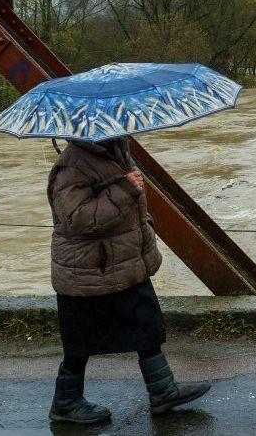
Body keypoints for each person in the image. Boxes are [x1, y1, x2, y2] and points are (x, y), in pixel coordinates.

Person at [46, 135, 210, 424]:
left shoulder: (116, 149)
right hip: (88, 272)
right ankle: (66, 402)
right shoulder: (71, 166)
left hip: (121, 261)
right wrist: (124, 190)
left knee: (147, 324)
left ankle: (162, 390)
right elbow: (78, 219)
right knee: (80, 341)